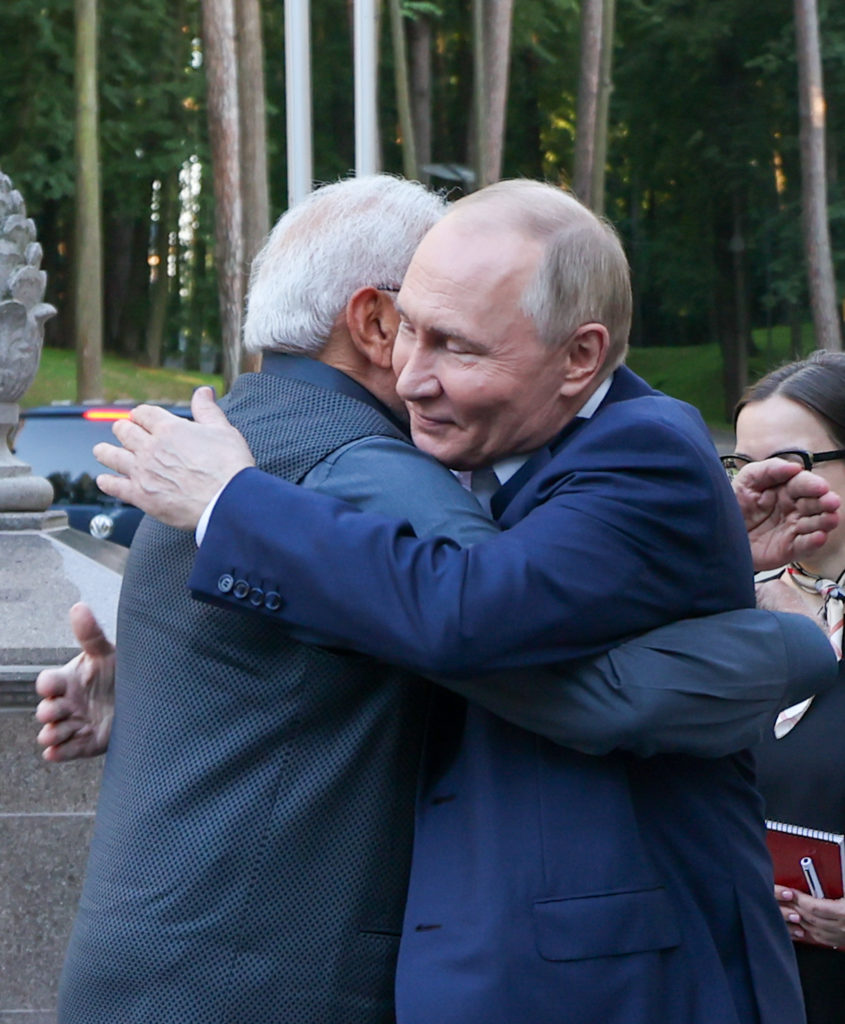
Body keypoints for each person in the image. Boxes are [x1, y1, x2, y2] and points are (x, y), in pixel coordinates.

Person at [46, 174, 827, 1024]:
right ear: (376, 319)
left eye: (455, 344)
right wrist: (772, 639)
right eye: (410, 332)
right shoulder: (365, 461)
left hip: (610, 980)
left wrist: (232, 507)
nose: (415, 376)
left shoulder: (250, 455)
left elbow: (471, 615)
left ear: (579, 357)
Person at [726, 350, 845, 1024]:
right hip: (742, 978)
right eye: (742, 467)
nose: (763, 487)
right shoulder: (722, 607)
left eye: (791, 462)